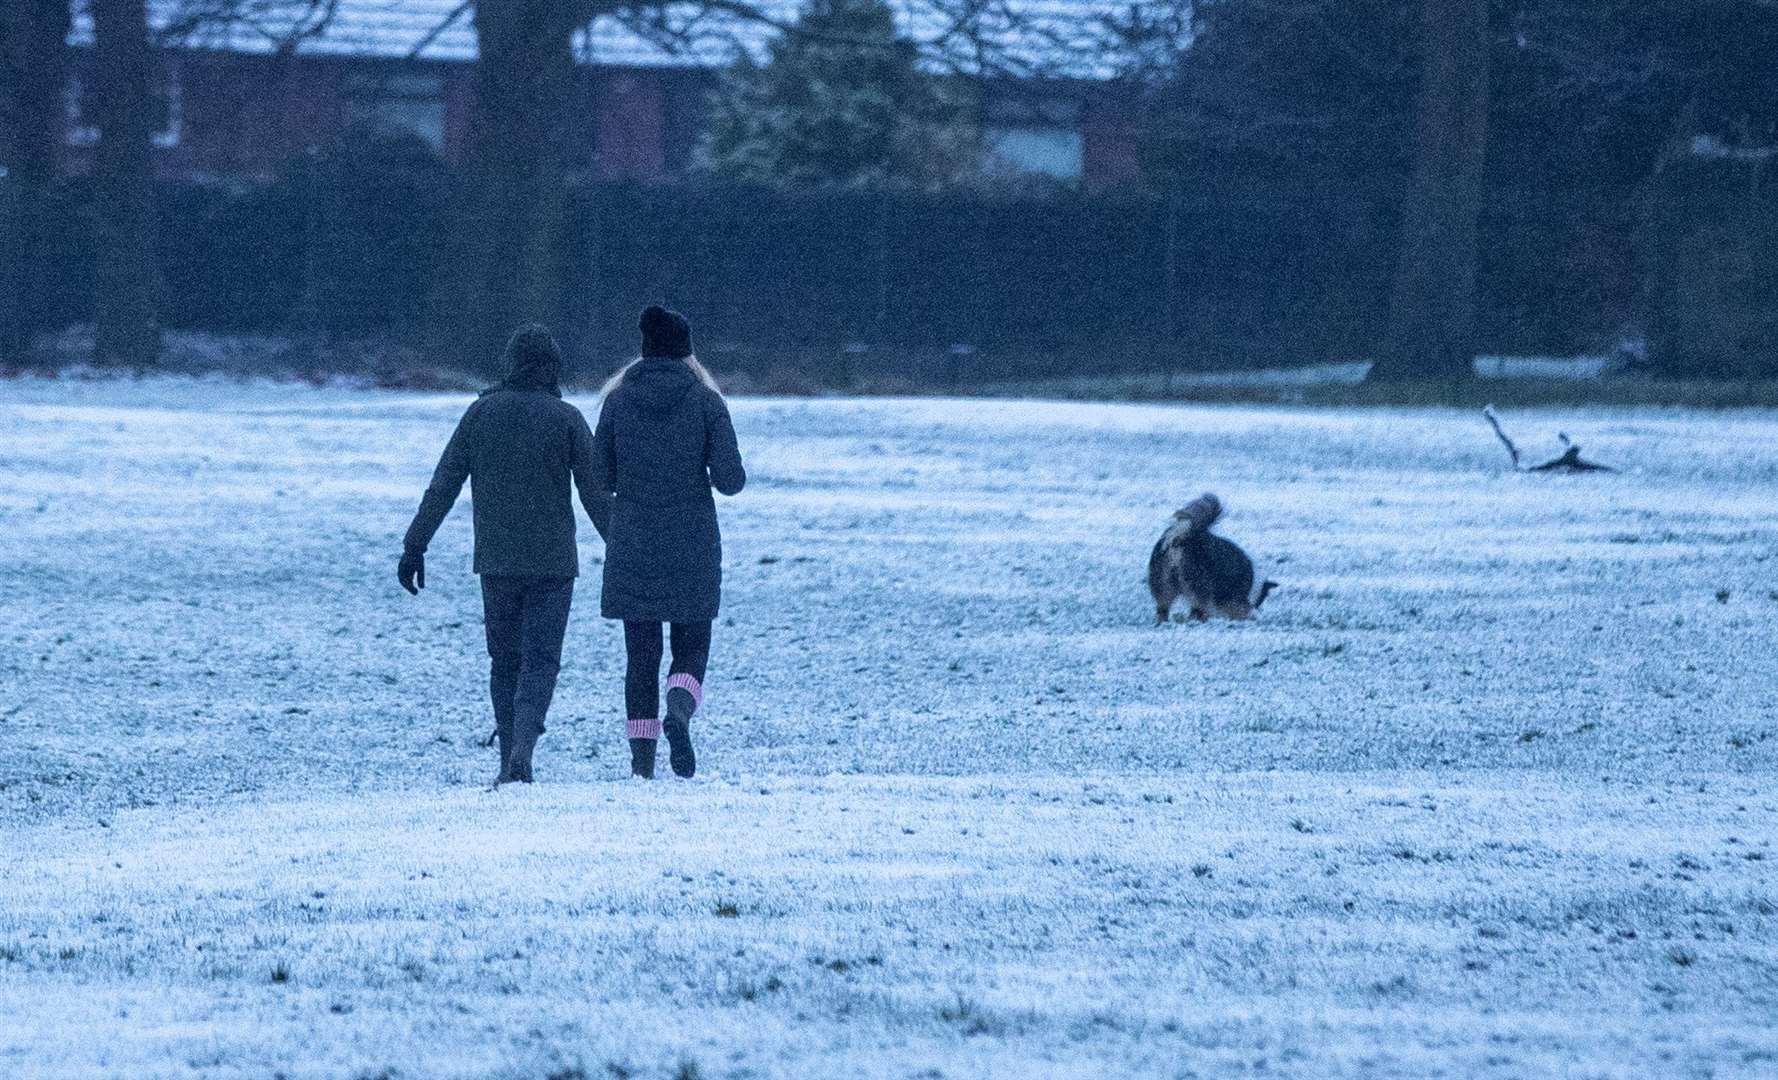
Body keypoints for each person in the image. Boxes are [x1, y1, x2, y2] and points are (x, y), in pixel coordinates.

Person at [398, 324, 608, 786]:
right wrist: (624, 549)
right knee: (541, 661)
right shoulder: (568, 418)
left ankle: (507, 756)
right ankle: (523, 750)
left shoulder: (480, 415)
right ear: (553, 366)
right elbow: (596, 496)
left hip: (496, 560)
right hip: (553, 562)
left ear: (509, 363)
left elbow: (444, 485)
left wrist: (416, 544)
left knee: (505, 660)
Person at [591, 305, 745, 779]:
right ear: (686, 352)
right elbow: (731, 480)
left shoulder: (617, 401)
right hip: (692, 545)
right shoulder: (706, 401)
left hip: (633, 543)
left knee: (640, 657)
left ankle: (642, 766)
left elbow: (600, 475)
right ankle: (678, 712)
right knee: (692, 648)